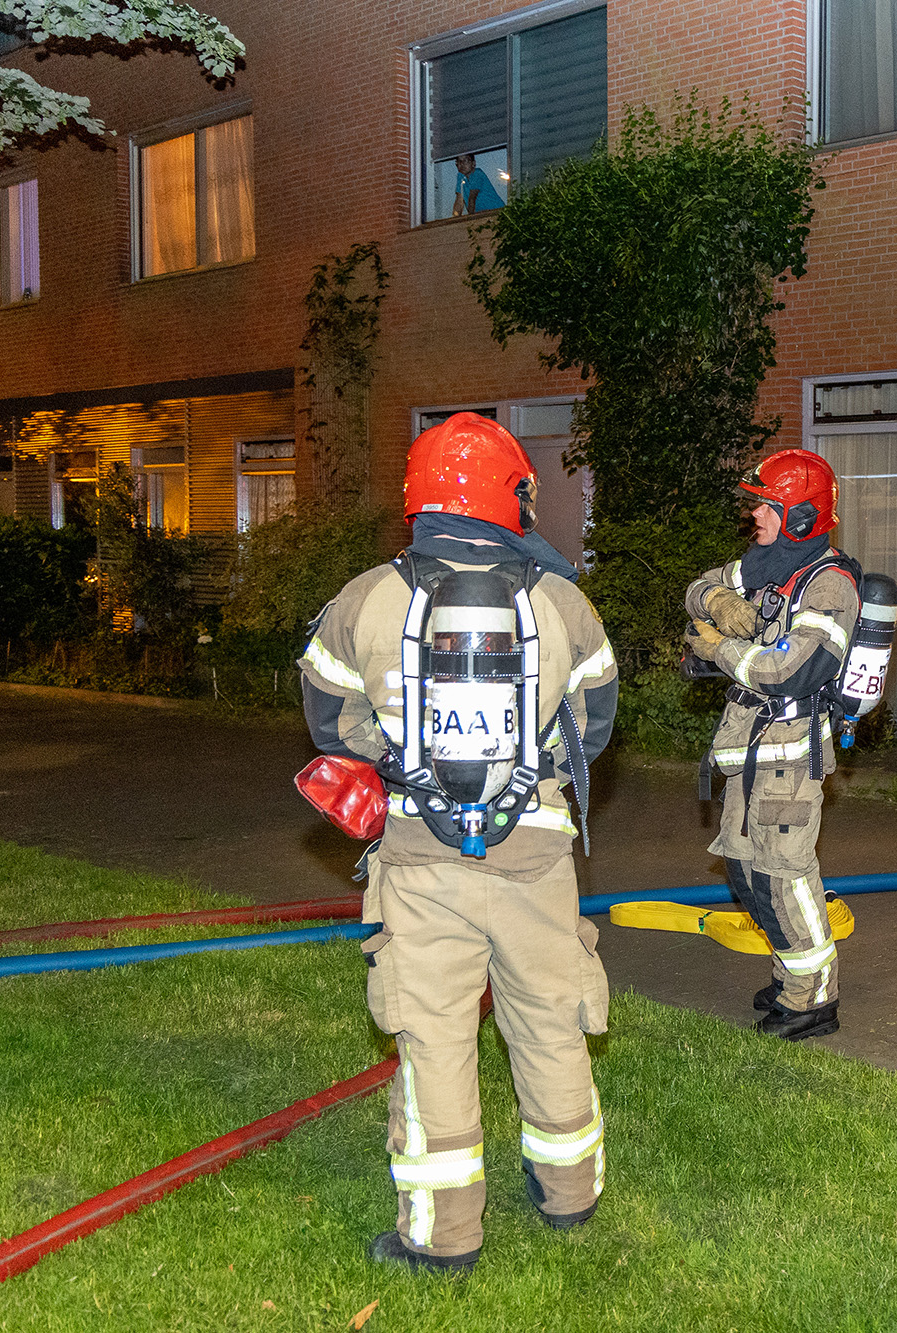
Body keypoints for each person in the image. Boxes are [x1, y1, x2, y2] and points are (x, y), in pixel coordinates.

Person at [297, 413, 617, 1275]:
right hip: (537, 858)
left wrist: (396, 754)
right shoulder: (563, 602)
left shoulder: (367, 597)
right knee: (549, 1019)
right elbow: (593, 727)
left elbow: (330, 719)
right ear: (514, 495)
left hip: (418, 860)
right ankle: (571, 1191)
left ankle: (442, 1235)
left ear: (418, 495)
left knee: (433, 1035)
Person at [684, 448, 860, 1042]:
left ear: (803, 518)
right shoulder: (766, 563)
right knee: (743, 867)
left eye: (766, 505)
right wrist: (719, 602)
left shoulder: (830, 586)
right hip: (749, 750)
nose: (754, 515)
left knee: (784, 875)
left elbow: (791, 672)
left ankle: (814, 997)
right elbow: (697, 587)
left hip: (790, 754)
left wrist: (718, 650)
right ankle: (792, 974)